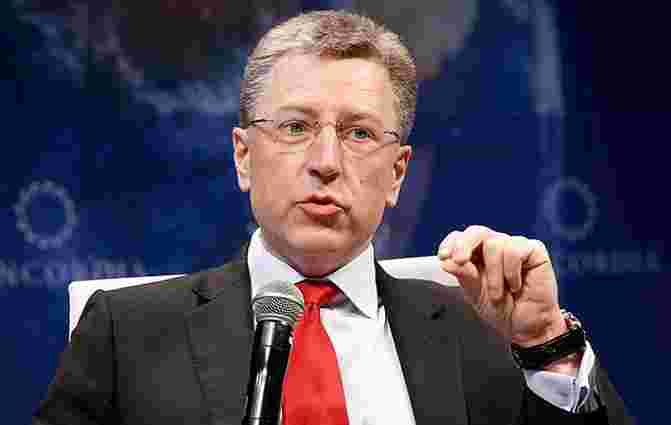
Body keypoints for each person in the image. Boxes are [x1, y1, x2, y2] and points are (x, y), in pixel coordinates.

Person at [34, 10, 632, 425]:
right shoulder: (127, 335)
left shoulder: (483, 334)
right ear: (243, 156)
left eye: (359, 133)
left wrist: (545, 344)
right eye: (296, 127)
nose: (326, 161)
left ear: (397, 173)